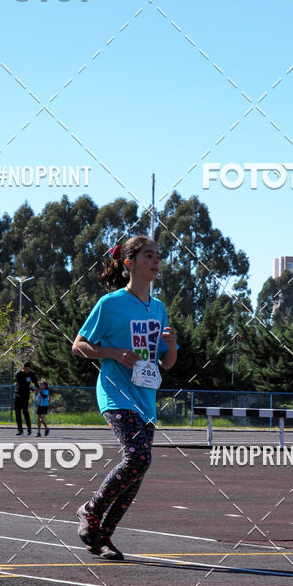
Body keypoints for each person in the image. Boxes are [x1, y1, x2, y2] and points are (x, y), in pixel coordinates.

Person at [72, 235, 177, 560]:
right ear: (129, 262)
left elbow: (166, 363)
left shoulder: (158, 308)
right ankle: (90, 511)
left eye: (158, 255)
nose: (156, 261)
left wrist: (171, 346)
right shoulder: (111, 304)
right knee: (138, 458)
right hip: (116, 395)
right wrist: (114, 352)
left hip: (146, 398)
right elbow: (79, 345)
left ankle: (103, 535)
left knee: (139, 469)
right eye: (148, 255)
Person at [13, 361, 39, 435]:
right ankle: (20, 430)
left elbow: (35, 382)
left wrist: (38, 389)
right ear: (23, 368)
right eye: (26, 369)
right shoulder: (18, 374)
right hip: (18, 394)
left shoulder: (31, 373)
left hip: (26, 395)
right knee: (18, 412)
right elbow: (23, 385)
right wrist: (33, 389)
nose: (27, 370)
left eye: (28, 369)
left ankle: (29, 429)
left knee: (25, 411)